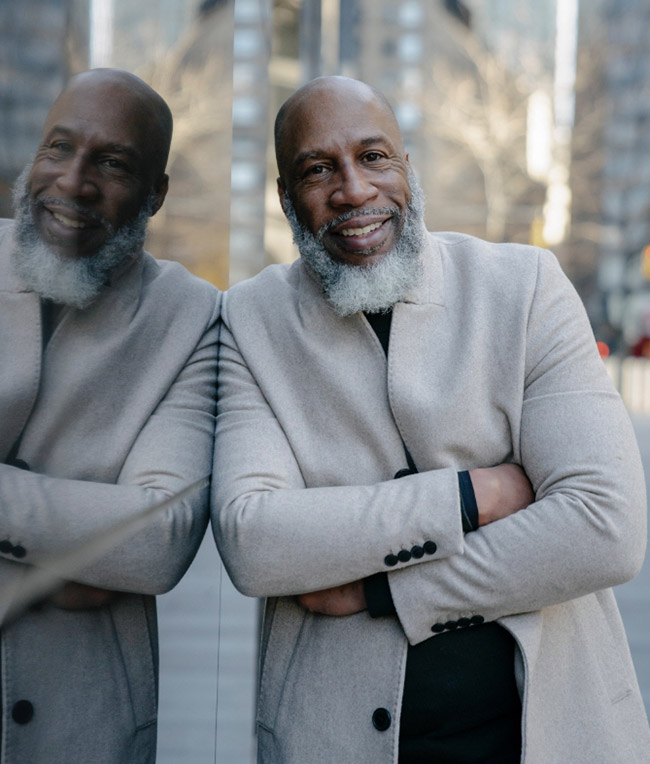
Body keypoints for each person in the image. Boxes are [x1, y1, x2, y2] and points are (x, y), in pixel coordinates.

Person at [212, 75, 650, 764]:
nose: (354, 191)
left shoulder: (526, 287)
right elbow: (252, 539)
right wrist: (474, 496)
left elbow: (606, 528)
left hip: (553, 734)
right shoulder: (249, 320)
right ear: (284, 198)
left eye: (373, 157)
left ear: (407, 169)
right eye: (318, 169)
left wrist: (383, 590)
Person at [1, 68, 220, 763]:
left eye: (113, 163)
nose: (72, 181)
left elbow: (154, 542)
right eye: (58, 148)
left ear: (155, 194)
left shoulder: (190, 317)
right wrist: (63, 555)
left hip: (80, 725)